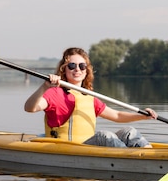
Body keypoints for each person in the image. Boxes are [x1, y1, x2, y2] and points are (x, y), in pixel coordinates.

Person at [24, 47, 157, 148]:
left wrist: (142, 116)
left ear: (86, 70)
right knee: (104, 136)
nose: (77, 69)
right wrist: (44, 87)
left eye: (82, 66)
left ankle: (150, 157)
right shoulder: (55, 93)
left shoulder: (89, 97)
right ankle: (129, 160)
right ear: (64, 69)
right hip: (69, 148)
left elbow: (117, 115)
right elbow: (30, 108)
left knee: (129, 132)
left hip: (88, 145)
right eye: (72, 66)